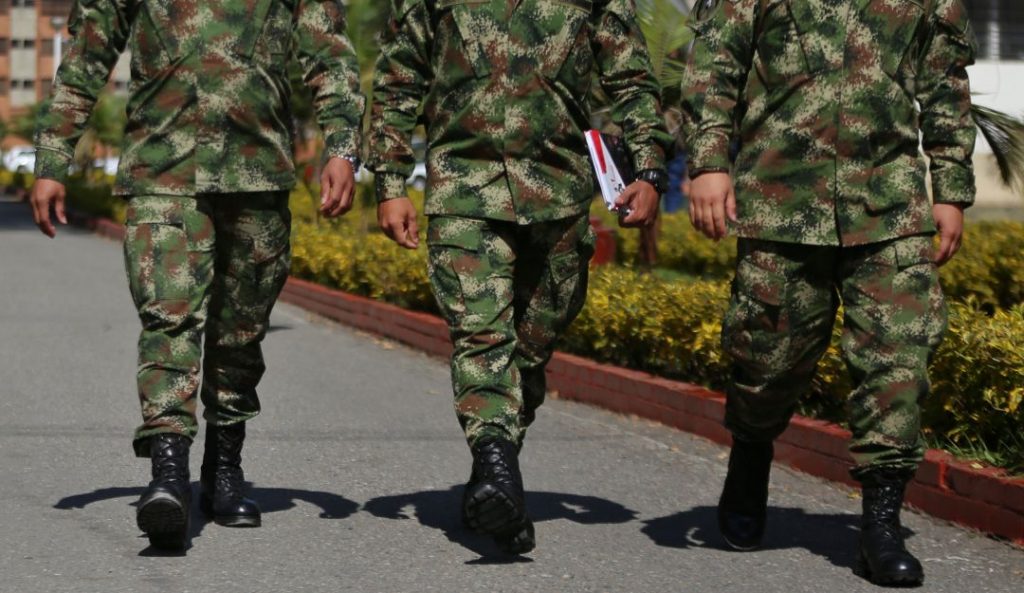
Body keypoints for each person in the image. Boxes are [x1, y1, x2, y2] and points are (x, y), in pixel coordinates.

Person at [30, 0, 364, 550]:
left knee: (240, 335)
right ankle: (168, 471)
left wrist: (343, 148)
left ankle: (223, 467)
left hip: (258, 173)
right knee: (169, 321)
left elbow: (328, 51)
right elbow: (88, 53)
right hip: (162, 171)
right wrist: (51, 160)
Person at [681, 0, 976, 586]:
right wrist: (709, 163)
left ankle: (880, 525)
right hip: (781, 201)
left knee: (897, 360)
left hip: (889, 205)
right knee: (766, 358)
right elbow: (715, 63)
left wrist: (950, 189)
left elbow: (945, 84)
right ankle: (751, 453)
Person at [370, 0, 671, 554]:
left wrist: (650, 169)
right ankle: (498, 470)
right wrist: (390, 184)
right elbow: (398, 78)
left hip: (559, 193)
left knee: (529, 350)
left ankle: (491, 475)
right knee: (482, 335)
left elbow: (631, 77)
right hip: (464, 190)